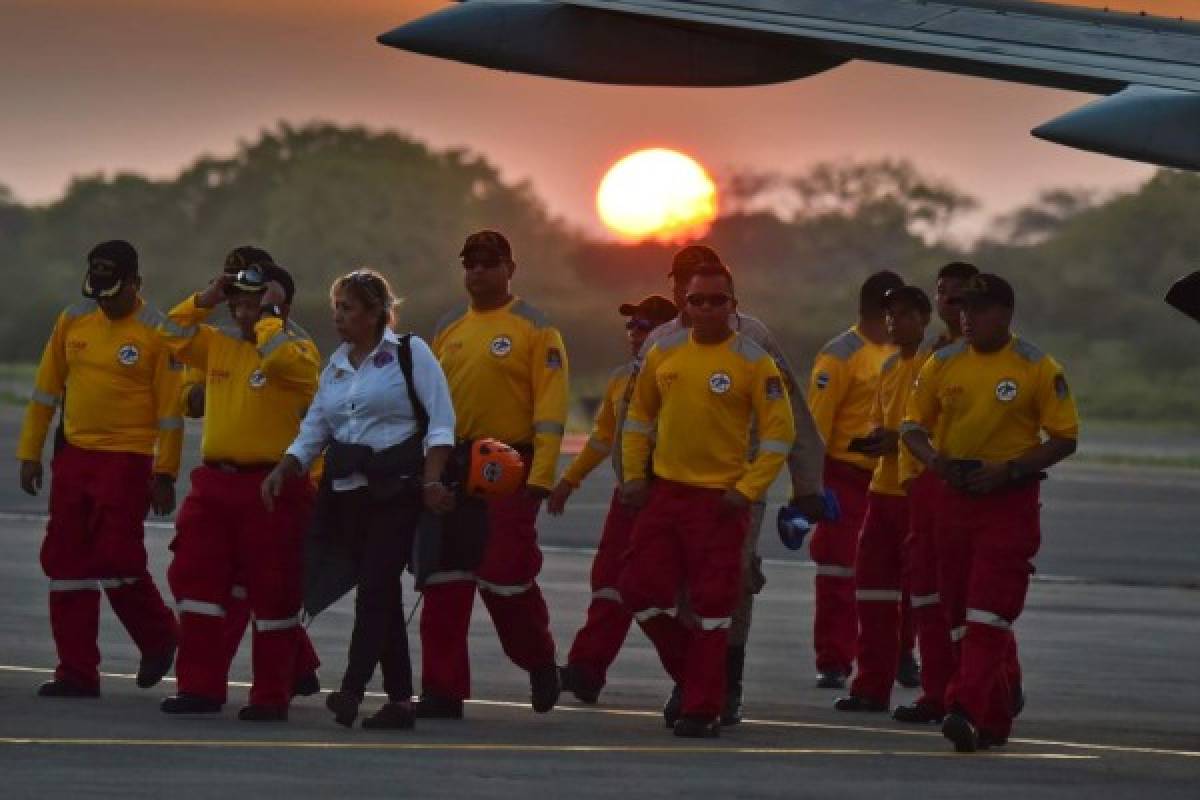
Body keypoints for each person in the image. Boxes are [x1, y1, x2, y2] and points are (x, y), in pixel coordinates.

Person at [612, 244, 825, 726]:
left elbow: (789, 417)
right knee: (654, 586)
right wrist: (631, 478)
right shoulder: (660, 343)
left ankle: (724, 685)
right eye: (686, 286)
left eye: (714, 296)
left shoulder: (754, 341)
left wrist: (807, 483)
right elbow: (635, 413)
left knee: (727, 588)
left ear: (730, 298)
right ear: (679, 291)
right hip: (668, 486)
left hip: (736, 486)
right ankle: (693, 679)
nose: (702, 303)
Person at [265, 268, 456, 729]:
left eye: (347, 308)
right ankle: (400, 702)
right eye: (336, 308)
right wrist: (285, 467)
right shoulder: (336, 366)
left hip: (398, 491)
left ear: (375, 313)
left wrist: (432, 481)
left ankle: (350, 690)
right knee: (383, 594)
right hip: (348, 497)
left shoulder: (410, 353)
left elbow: (441, 422)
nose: (338, 317)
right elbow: (315, 428)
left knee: (374, 588)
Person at [901, 273, 1078, 752]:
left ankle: (963, 706)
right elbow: (912, 426)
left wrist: (1009, 470)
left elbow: (1064, 437)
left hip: (1008, 504)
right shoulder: (942, 362)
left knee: (989, 612)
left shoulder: (1036, 367)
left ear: (1004, 313)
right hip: (954, 498)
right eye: (962, 308)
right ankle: (992, 718)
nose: (967, 317)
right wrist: (936, 462)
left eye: (977, 309)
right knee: (958, 613)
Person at [17, 240, 182, 698]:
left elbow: (171, 414)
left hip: (127, 460)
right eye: (99, 290)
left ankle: (159, 635)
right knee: (65, 562)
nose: (105, 300)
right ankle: (76, 672)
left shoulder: (157, 331)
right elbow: (46, 391)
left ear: (136, 283)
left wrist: (164, 474)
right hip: (74, 456)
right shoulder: (73, 319)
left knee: (117, 556)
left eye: (114, 291)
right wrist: (29, 453)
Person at [158, 260, 319, 720]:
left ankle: (270, 696)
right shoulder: (216, 343)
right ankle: (200, 689)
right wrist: (205, 299)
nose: (243, 314)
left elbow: (284, 362)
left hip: (271, 489)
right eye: (239, 304)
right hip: (214, 486)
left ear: (277, 306)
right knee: (198, 586)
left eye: (254, 304)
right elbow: (166, 333)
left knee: (274, 596)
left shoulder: (299, 349)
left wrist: (270, 321)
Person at [416, 230, 568, 718]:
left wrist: (540, 479)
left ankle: (539, 660)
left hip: (508, 466)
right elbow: (429, 407)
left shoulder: (535, 328)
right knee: (443, 581)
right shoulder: (448, 327)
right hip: (454, 465)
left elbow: (550, 411)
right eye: (469, 263)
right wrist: (428, 473)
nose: (477, 271)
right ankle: (442, 691)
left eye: (487, 263)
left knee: (505, 578)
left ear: (509, 268)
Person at [548, 294, 678, 704]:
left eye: (643, 327)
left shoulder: (677, 376)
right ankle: (587, 668)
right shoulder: (623, 378)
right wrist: (569, 480)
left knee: (652, 591)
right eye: (631, 326)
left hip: (665, 496)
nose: (633, 334)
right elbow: (604, 437)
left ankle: (697, 674)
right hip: (628, 498)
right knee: (607, 582)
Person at [835, 286, 931, 713]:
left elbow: (943, 432)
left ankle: (939, 690)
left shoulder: (937, 365)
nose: (895, 323)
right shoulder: (891, 366)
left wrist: (901, 442)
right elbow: (880, 421)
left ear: (925, 319)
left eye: (905, 315)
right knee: (872, 592)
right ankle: (871, 686)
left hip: (918, 492)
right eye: (890, 316)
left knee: (927, 597)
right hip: (881, 492)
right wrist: (877, 441)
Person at [806, 270, 903, 689]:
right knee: (838, 571)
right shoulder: (840, 355)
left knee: (896, 575)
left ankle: (900, 656)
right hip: (844, 477)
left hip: (889, 478)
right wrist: (809, 488)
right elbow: (816, 428)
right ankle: (834, 658)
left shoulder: (904, 352)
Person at [893, 261, 979, 725]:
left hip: (962, 484)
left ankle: (994, 683)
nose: (949, 300)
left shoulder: (988, 355)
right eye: (942, 291)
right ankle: (937, 690)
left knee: (972, 595)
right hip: (921, 483)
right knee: (924, 590)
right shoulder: (933, 353)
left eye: (960, 293)